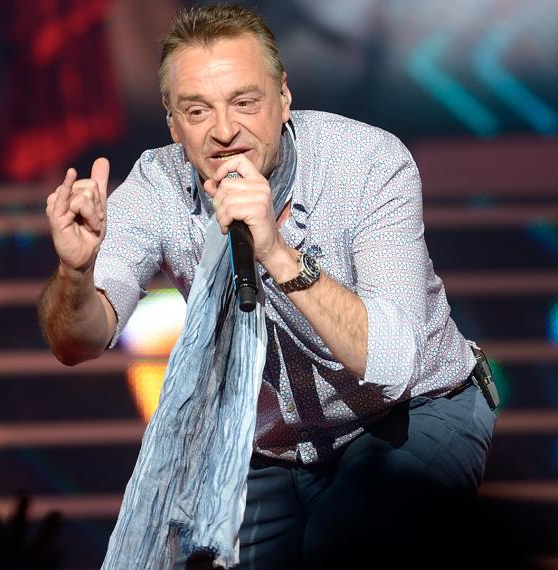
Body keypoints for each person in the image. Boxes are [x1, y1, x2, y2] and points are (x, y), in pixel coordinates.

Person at [38, 4, 496, 568]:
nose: (223, 130)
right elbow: (77, 342)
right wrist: (75, 273)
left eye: (244, 102)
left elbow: (392, 364)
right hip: (272, 448)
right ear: (172, 122)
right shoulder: (157, 187)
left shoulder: (368, 163)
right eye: (197, 110)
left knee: (347, 543)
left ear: (283, 97)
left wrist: (277, 252)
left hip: (412, 412)